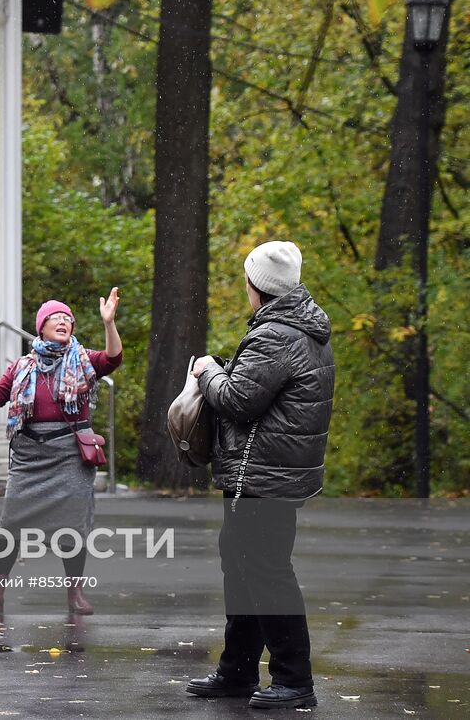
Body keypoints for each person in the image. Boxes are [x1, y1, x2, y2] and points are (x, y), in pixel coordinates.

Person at [183, 241, 333, 711]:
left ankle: (294, 678)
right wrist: (228, 374)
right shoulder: (299, 329)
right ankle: (238, 670)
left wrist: (208, 372)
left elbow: (237, 401)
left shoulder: (275, 335)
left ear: (257, 286)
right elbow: (260, 392)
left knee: (265, 572)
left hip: (263, 474)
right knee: (243, 566)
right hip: (272, 472)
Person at [0, 289, 122, 616]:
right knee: (9, 525)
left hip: (70, 454)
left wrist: (109, 324)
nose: (63, 322)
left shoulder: (83, 359)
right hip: (28, 455)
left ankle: (75, 594)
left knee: (72, 527)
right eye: (55, 318)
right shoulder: (21, 366)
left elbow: (113, 358)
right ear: (41, 327)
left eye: (67, 319)